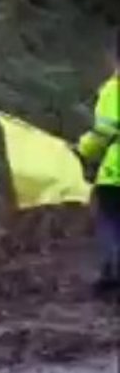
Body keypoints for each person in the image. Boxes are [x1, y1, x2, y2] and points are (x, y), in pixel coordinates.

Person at [75, 27, 120, 299]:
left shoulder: (114, 91)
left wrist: (83, 149)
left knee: (111, 224)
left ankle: (112, 276)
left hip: (116, 175)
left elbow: (103, 134)